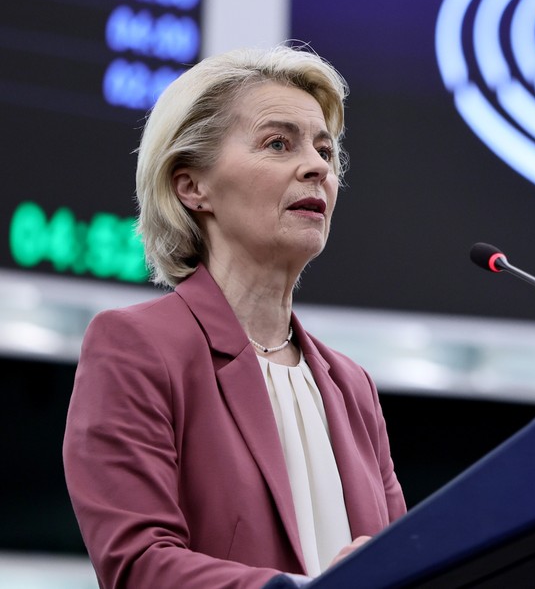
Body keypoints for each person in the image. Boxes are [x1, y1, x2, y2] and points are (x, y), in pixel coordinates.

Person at [62, 44, 406, 589]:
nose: (318, 167)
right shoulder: (136, 346)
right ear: (192, 186)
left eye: (324, 150)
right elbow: (137, 564)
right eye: (278, 143)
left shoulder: (353, 387)